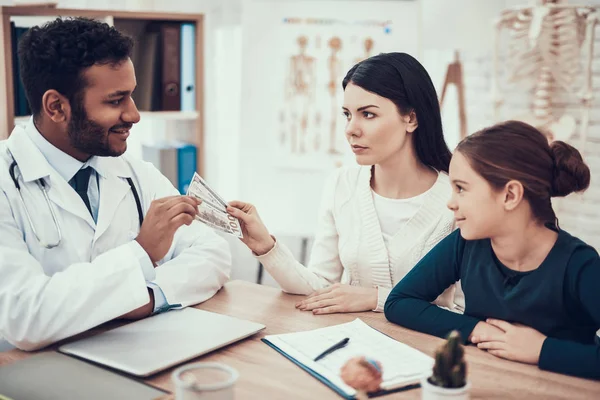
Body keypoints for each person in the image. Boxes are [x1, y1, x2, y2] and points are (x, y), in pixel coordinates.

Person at [0, 18, 231, 351]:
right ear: (56, 107)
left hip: (129, 353)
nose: (134, 114)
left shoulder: (135, 173)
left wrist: (149, 296)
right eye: (115, 100)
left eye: (132, 96)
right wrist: (141, 252)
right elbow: (25, 317)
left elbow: (213, 254)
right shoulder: (7, 183)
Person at [228, 52, 461, 314]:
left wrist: (376, 299)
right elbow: (321, 288)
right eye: (348, 114)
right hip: (350, 345)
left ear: (411, 119)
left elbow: (466, 317)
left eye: (368, 114)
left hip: (427, 352)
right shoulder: (342, 184)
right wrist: (266, 247)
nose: (351, 129)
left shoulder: (458, 199)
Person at [384, 120, 600, 380]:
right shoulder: (465, 244)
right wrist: (476, 329)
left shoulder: (581, 265)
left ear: (510, 195)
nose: (451, 203)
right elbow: (399, 302)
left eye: (461, 188)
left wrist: (542, 350)